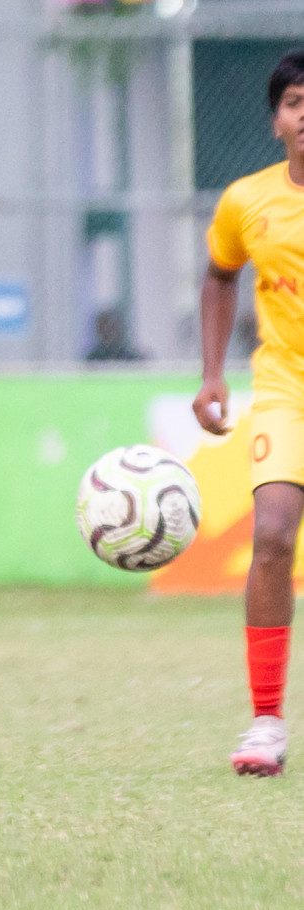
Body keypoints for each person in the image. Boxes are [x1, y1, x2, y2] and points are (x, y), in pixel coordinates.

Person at [193, 50, 304, 777]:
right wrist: (210, 374)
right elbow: (217, 274)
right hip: (284, 389)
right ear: (276, 120)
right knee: (269, 534)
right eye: (296, 101)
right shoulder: (245, 201)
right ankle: (265, 722)